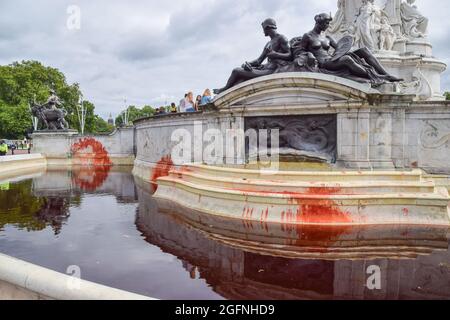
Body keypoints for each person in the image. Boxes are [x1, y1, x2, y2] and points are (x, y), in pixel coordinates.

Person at [296, 13, 402, 86]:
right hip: (324, 63)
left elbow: (339, 48)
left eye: (328, 23)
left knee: (363, 50)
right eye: (326, 23)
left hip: (332, 59)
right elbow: (299, 51)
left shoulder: (327, 37)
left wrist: (349, 43)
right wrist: (309, 54)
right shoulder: (308, 36)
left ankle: (386, 74)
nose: (328, 26)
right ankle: (377, 76)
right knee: (346, 59)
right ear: (319, 23)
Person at [213, 18, 291, 94]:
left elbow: (290, 55)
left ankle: (225, 89)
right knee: (239, 72)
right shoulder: (268, 43)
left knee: (236, 71)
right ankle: (226, 90)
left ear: (267, 27)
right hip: (265, 68)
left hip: (271, 70)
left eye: (263, 28)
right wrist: (247, 64)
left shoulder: (281, 38)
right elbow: (259, 61)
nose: (263, 31)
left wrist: (276, 54)